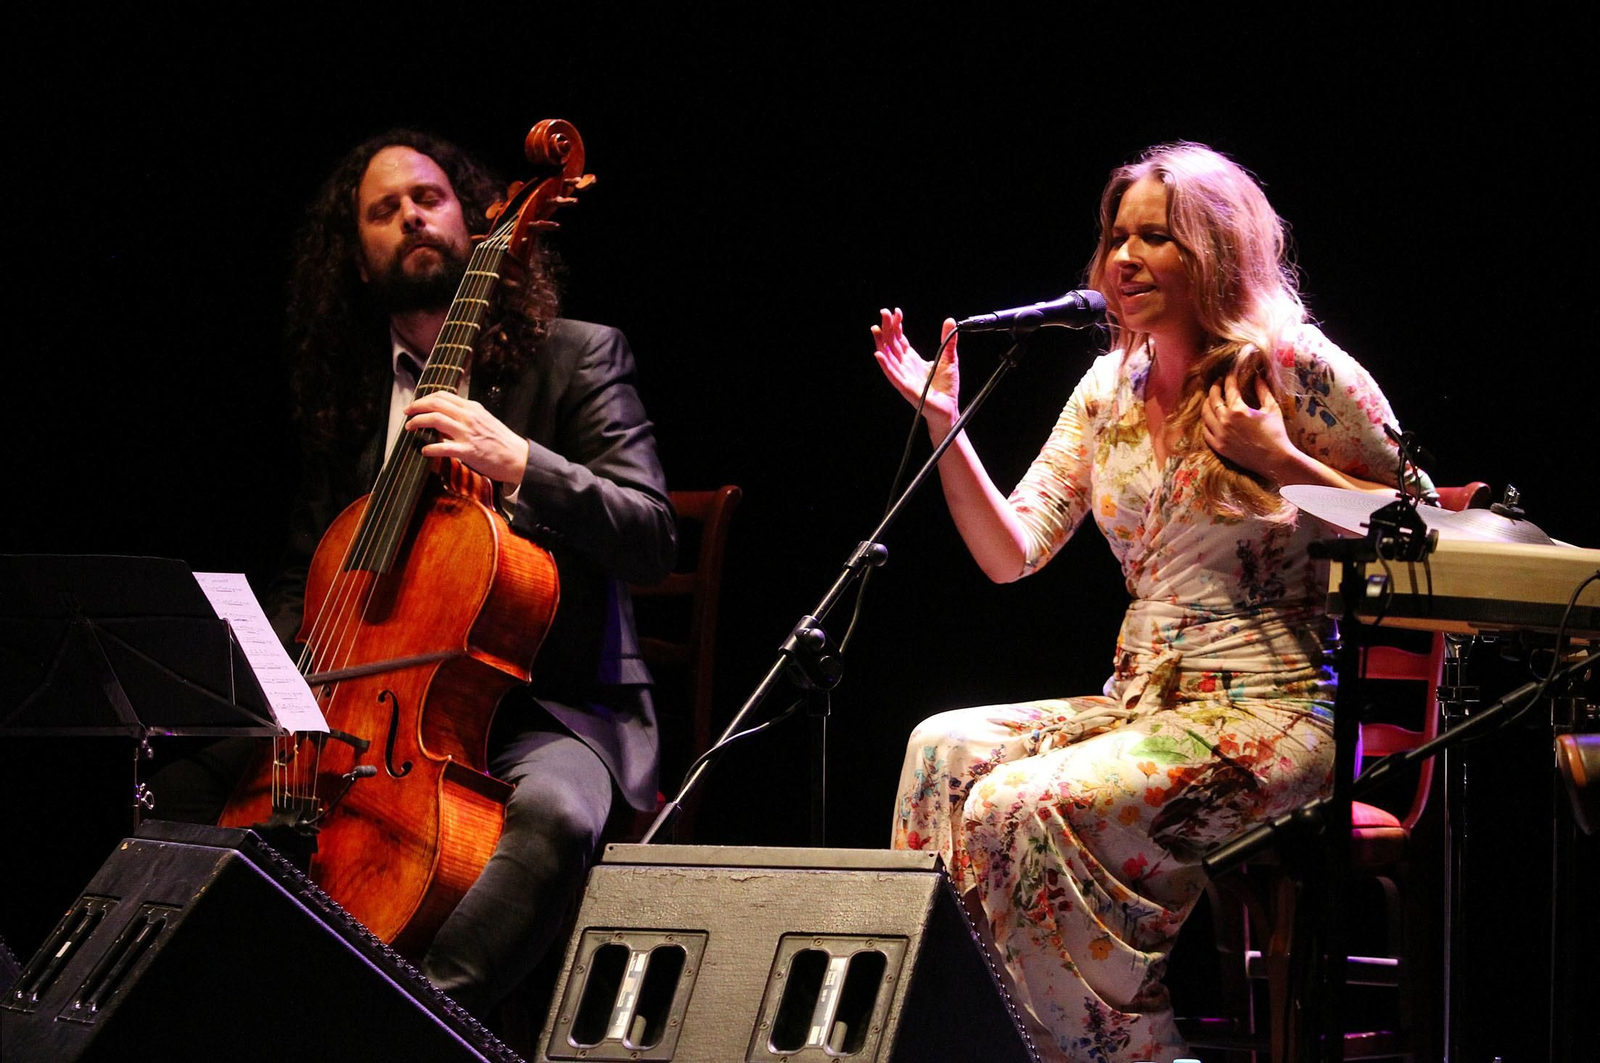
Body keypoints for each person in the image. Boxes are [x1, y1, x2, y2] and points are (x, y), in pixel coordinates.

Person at [873, 142, 1429, 1062]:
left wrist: (1280, 462)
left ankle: (1121, 1050)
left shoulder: (1292, 367)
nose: (1124, 259)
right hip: (1145, 706)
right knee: (941, 751)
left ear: (1214, 251)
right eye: (1116, 237)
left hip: (1274, 716)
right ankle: (966, 1036)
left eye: (1156, 238)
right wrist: (946, 423)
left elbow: (1419, 533)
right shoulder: (1109, 388)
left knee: (1021, 802)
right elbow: (1011, 553)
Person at [157, 129, 674, 1018]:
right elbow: (302, 570)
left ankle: (416, 1025)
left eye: (427, 198)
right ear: (357, 260)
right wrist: (294, 682)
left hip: (549, 706)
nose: (411, 217)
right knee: (180, 783)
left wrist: (522, 462)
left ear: (474, 224)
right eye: (383, 210)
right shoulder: (353, 396)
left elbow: (653, 537)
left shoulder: (580, 355)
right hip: (369, 707)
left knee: (554, 818)